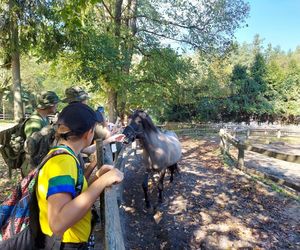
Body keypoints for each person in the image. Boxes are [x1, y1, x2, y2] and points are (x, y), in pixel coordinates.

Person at [36, 102, 124, 249]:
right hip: (65, 245)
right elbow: (57, 224)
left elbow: (73, 194)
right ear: (89, 134)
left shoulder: (64, 155)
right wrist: (102, 182)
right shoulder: (63, 162)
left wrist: (97, 177)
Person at [21, 91, 60, 176]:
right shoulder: (34, 123)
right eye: (56, 104)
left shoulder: (44, 119)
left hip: (40, 165)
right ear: (50, 105)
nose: (57, 106)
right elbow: (31, 148)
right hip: (33, 168)